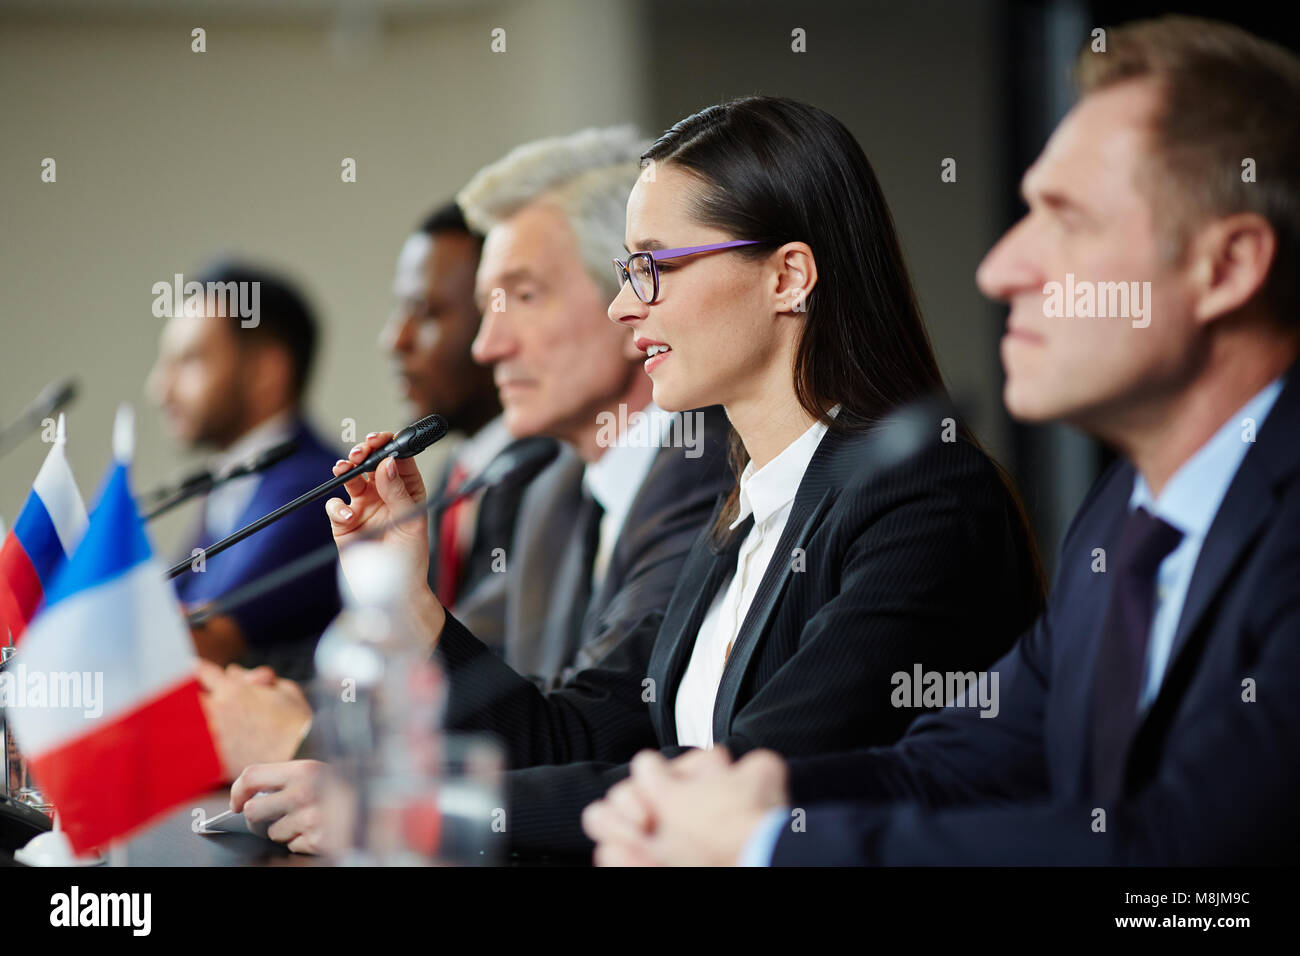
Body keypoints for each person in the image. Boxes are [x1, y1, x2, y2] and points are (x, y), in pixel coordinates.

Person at [231, 98, 1044, 858]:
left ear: (789, 277)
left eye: (653, 267)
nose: (624, 307)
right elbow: (587, 737)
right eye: (625, 270)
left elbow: (745, 788)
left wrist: (411, 810)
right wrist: (411, 601)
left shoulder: (924, 500)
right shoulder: (749, 500)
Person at [582, 15, 1300, 866]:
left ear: (1227, 267)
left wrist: (768, 842)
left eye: (1066, 220)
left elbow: (1188, 870)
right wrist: (756, 798)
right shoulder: (1123, 519)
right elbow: (959, 763)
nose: (1000, 269)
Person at [148, 261, 341, 680]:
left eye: (190, 361)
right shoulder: (228, 483)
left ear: (265, 372)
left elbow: (200, 645)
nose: (159, 388)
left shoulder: (314, 490)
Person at [381, 200, 532, 653]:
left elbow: (482, 653)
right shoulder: (457, 473)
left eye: (425, 312)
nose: (395, 338)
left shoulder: (545, 473)